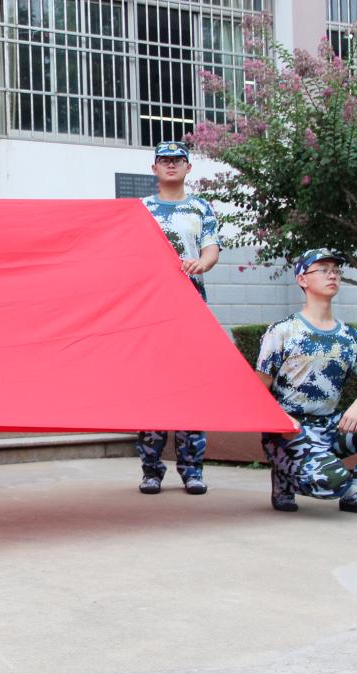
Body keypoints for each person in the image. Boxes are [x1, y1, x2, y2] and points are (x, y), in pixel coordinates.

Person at [256, 248, 357, 517]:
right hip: (289, 432)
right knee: (333, 481)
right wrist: (282, 423)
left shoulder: (350, 336)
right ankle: (285, 476)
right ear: (302, 279)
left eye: (336, 270)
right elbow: (257, 390)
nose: (332, 275)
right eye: (323, 270)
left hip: (330, 427)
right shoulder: (282, 331)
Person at [136, 140, 221, 496]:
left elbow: (211, 247)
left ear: (188, 167)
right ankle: (151, 470)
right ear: (154, 168)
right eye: (164, 160)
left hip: (191, 307)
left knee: (191, 387)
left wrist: (202, 263)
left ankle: (192, 469)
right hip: (150, 310)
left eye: (178, 160)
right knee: (152, 389)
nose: (171, 165)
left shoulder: (201, 207)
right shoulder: (140, 209)